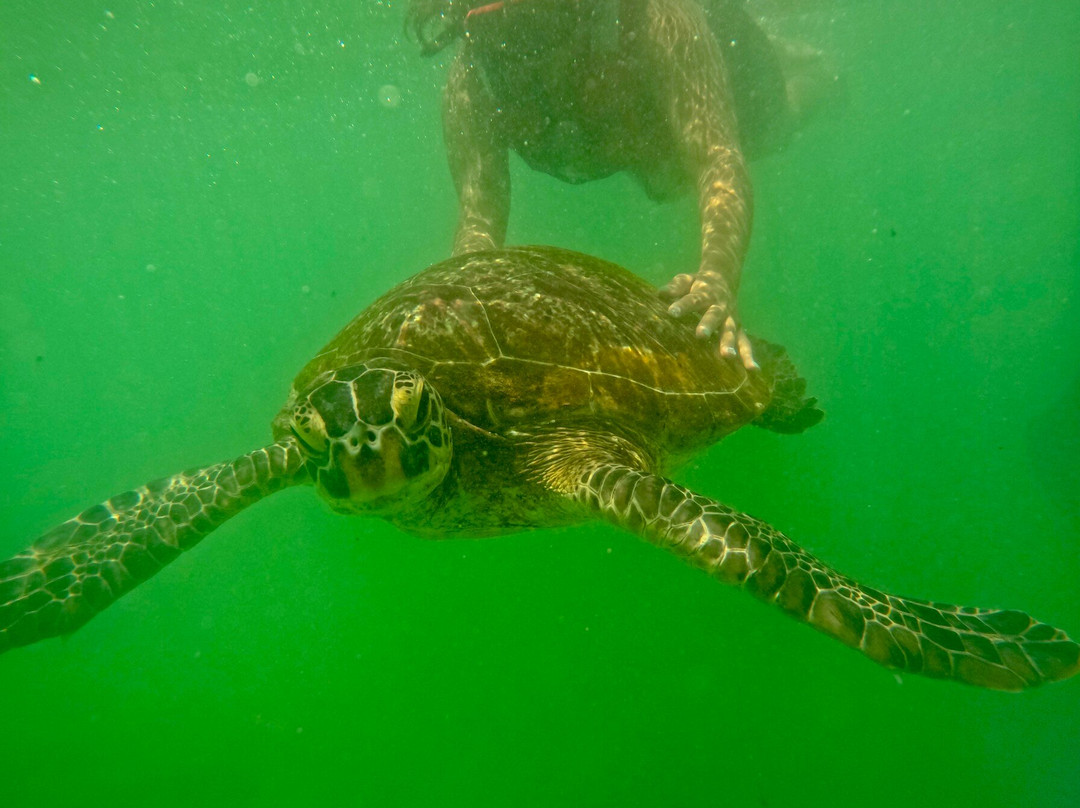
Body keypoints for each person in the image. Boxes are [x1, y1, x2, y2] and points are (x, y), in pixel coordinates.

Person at [407, 0, 828, 366]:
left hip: (715, 82)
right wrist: (465, 305)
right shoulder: (472, 78)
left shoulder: (657, 17)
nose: (525, 58)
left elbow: (717, 156)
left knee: (773, 127)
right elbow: (477, 219)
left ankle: (818, 78)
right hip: (632, 140)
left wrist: (717, 277)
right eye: (502, 36)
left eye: (534, 26)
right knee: (664, 184)